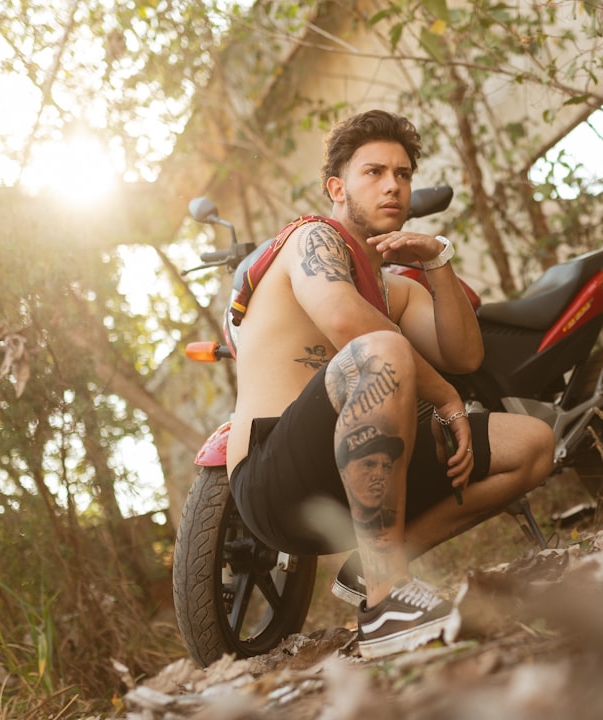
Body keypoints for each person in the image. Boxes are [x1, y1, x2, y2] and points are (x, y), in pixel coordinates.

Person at [225, 109, 555, 659]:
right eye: (374, 172)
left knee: (533, 445)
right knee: (383, 347)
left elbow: (463, 353)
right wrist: (446, 398)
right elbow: (342, 319)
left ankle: (371, 568)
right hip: (275, 478)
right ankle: (385, 604)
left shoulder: (389, 284)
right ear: (337, 186)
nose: (393, 186)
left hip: (349, 482)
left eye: (402, 175)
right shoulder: (313, 238)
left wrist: (437, 260)